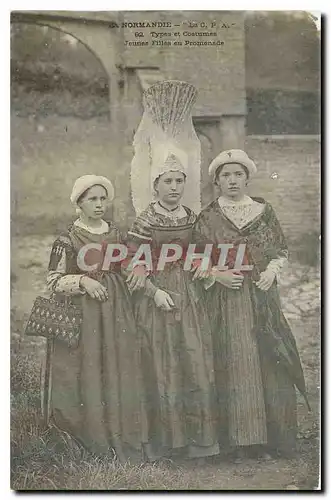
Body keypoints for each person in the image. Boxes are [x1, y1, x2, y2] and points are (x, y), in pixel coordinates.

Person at [193, 149, 308, 461]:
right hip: (226, 301)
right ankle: (237, 441)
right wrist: (217, 276)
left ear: (247, 177)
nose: (232, 181)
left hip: (262, 297)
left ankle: (269, 440)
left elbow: (280, 249)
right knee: (235, 361)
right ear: (216, 181)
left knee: (268, 360)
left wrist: (271, 272)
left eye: (238, 174)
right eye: (225, 175)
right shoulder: (208, 216)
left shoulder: (263, 211)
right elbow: (197, 258)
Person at [127, 152, 220, 462]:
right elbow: (133, 265)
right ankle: (164, 444)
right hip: (157, 300)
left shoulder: (192, 217)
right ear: (155, 186)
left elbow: (203, 251)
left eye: (179, 181)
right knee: (160, 365)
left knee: (193, 361)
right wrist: (153, 292)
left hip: (189, 297)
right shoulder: (145, 220)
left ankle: (198, 444)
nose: (174, 187)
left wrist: (202, 262)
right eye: (167, 181)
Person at [45, 174, 142, 463]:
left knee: (117, 369)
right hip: (84, 316)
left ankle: (120, 439)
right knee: (88, 372)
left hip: (115, 312)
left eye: (102, 199)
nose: (99, 204)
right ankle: (90, 442)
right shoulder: (67, 239)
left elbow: (128, 265)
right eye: (92, 199)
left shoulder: (116, 234)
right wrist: (84, 282)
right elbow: (53, 281)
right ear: (79, 203)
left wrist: (136, 270)